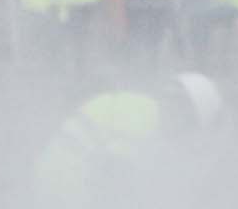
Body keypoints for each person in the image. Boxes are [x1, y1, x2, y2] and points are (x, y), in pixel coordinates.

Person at [35, 69, 224, 201]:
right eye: (188, 127)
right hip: (65, 191)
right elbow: (113, 183)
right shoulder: (144, 125)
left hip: (51, 178)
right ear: (184, 113)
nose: (183, 137)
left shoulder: (140, 106)